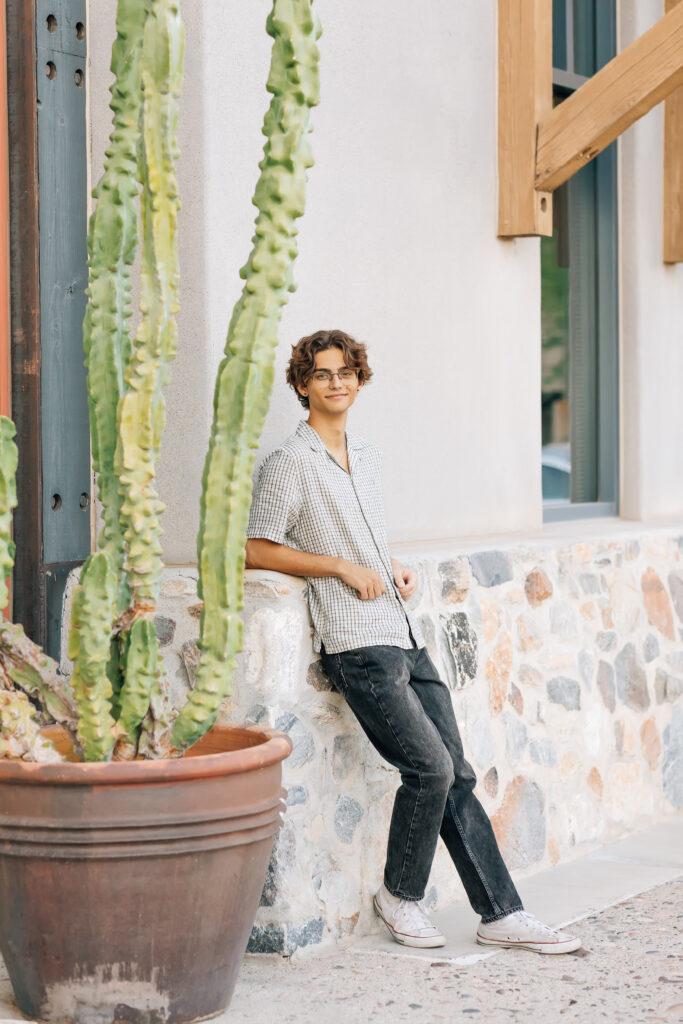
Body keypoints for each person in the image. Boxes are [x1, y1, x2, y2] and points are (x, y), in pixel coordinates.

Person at [245, 328, 581, 954]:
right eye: (322, 373)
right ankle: (400, 897)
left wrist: (387, 563)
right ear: (302, 385)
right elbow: (256, 546)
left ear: (359, 380)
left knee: (457, 774)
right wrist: (340, 567)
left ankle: (500, 914)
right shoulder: (289, 463)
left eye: (346, 371)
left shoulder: (366, 457)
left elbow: (362, 536)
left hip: (401, 633)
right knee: (428, 768)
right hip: (355, 645)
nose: (336, 381)